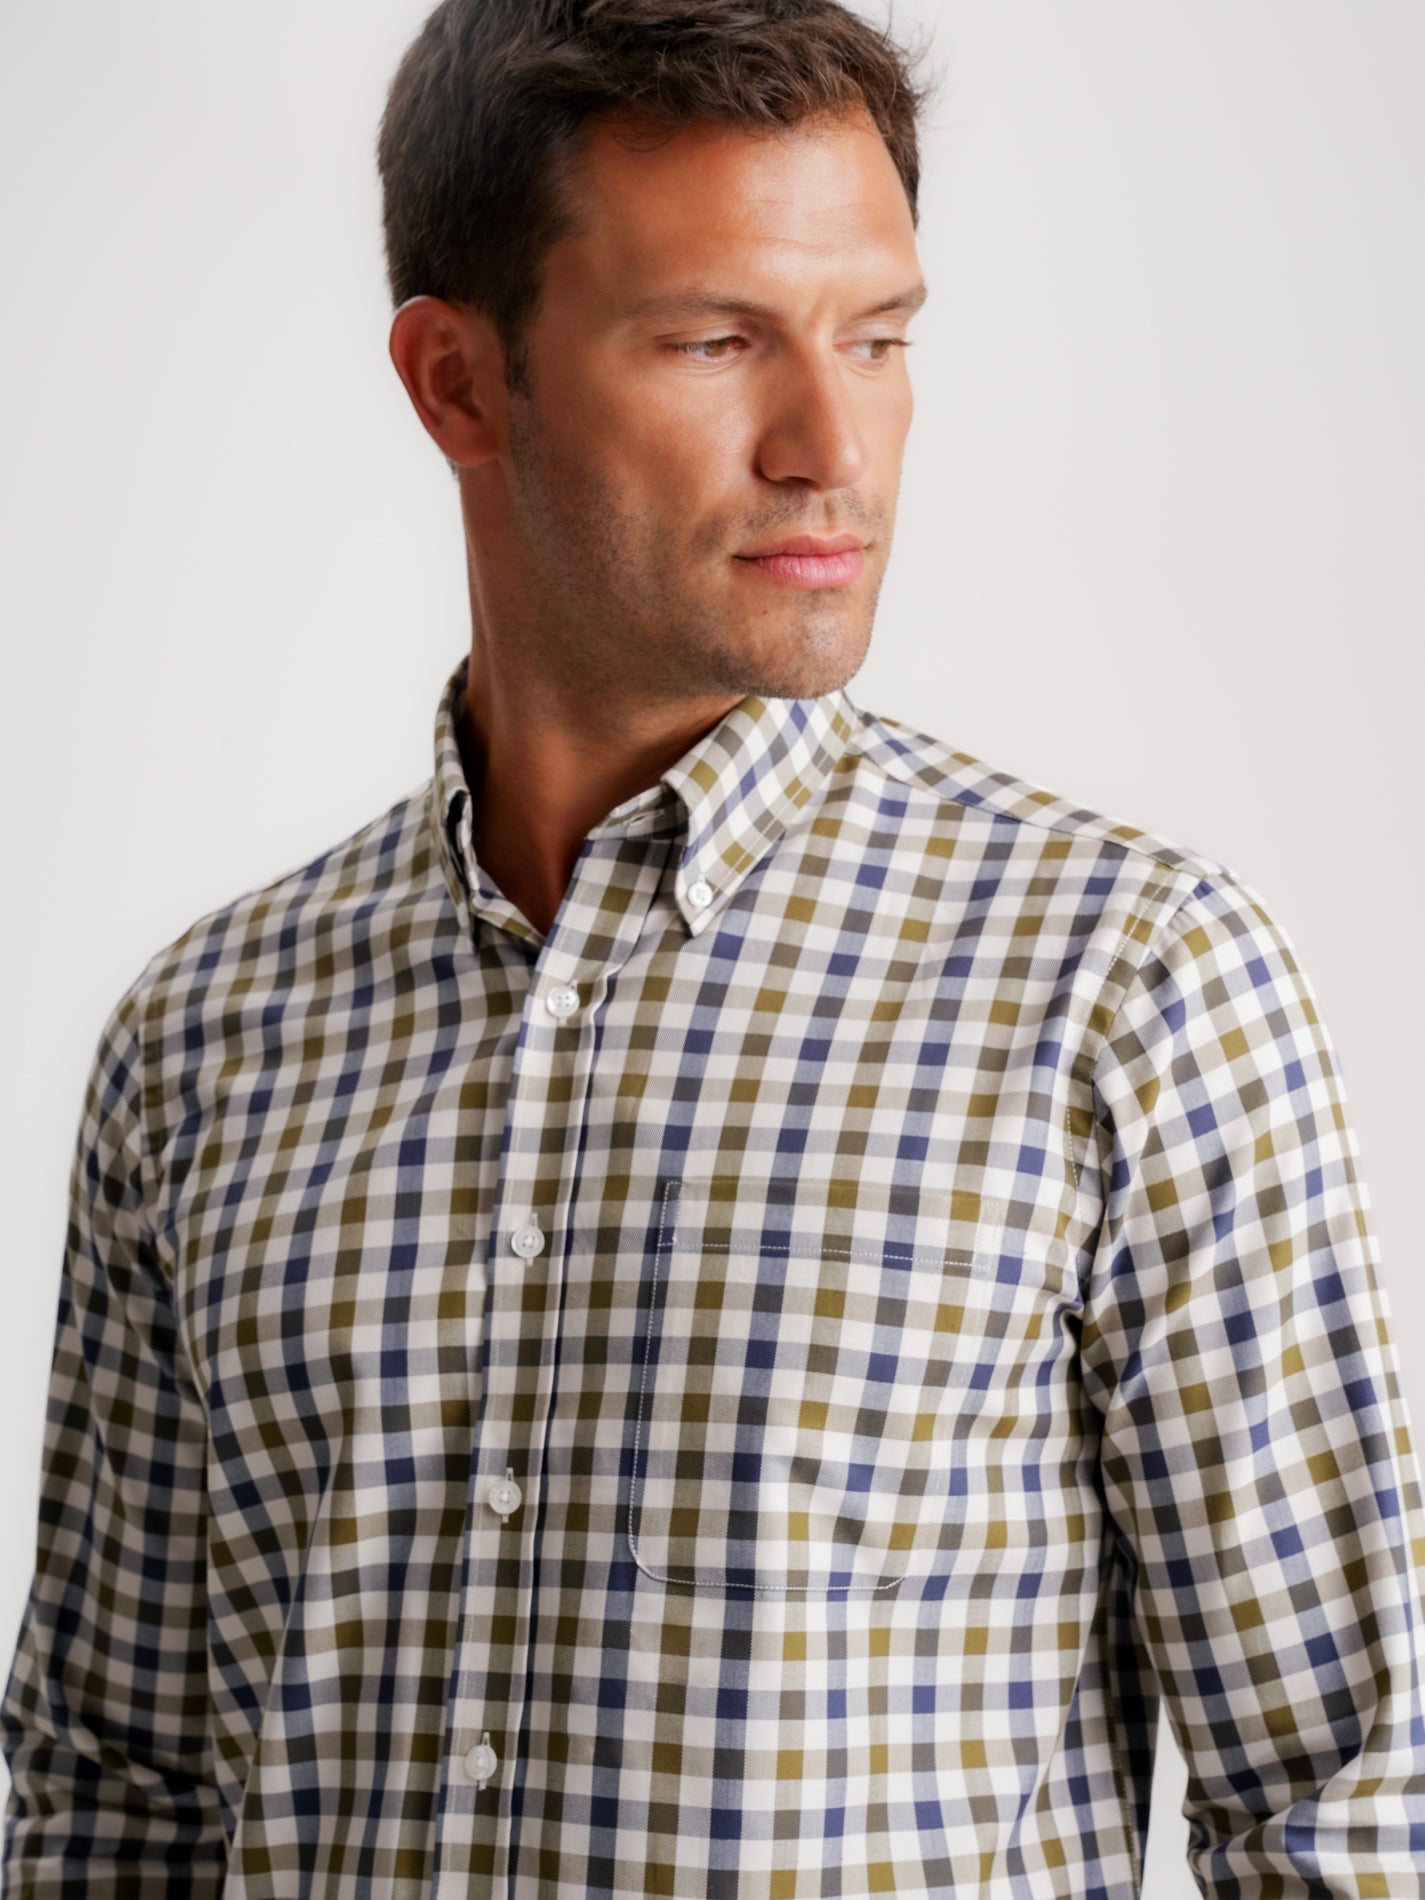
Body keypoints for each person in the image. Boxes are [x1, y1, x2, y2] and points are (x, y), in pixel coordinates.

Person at [4, 0, 1423, 1892]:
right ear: (456, 383)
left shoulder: (1127, 982)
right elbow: (116, 1797)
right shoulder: (205, 1037)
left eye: (879, 337)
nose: (831, 446)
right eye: (714, 341)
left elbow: (1347, 1802)